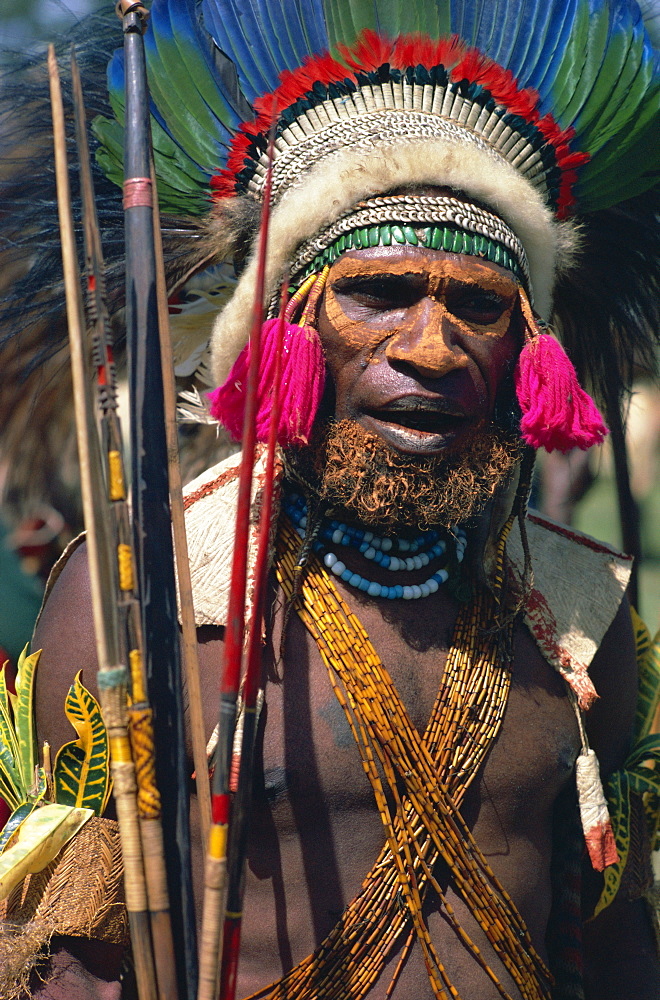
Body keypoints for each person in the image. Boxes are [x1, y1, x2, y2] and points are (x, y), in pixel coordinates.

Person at [1, 2, 659, 999]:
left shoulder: (580, 610)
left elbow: (615, 942)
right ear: (286, 328)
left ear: (529, 349)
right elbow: (66, 969)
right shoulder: (151, 600)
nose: (431, 349)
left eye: (478, 305)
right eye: (383, 292)